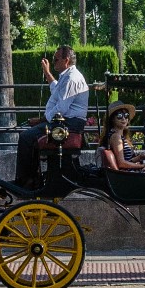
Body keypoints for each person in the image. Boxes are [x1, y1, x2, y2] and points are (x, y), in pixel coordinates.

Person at [13, 45, 89, 185]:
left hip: (67, 124)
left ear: (66, 61)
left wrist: (42, 119)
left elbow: (61, 109)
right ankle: (33, 177)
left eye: (56, 59)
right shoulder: (67, 77)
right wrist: (47, 72)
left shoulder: (71, 78)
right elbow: (56, 91)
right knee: (30, 135)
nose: (54, 62)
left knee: (26, 137)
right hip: (64, 122)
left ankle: (25, 179)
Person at [97, 105, 145, 180]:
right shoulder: (116, 137)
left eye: (126, 115)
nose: (124, 118)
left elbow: (127, 160)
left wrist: (139, 158)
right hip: (127, 174)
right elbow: (121, 163)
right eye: (119, 116)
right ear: (112, 119)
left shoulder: (119, 136)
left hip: (128, 171)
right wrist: (143, 166)